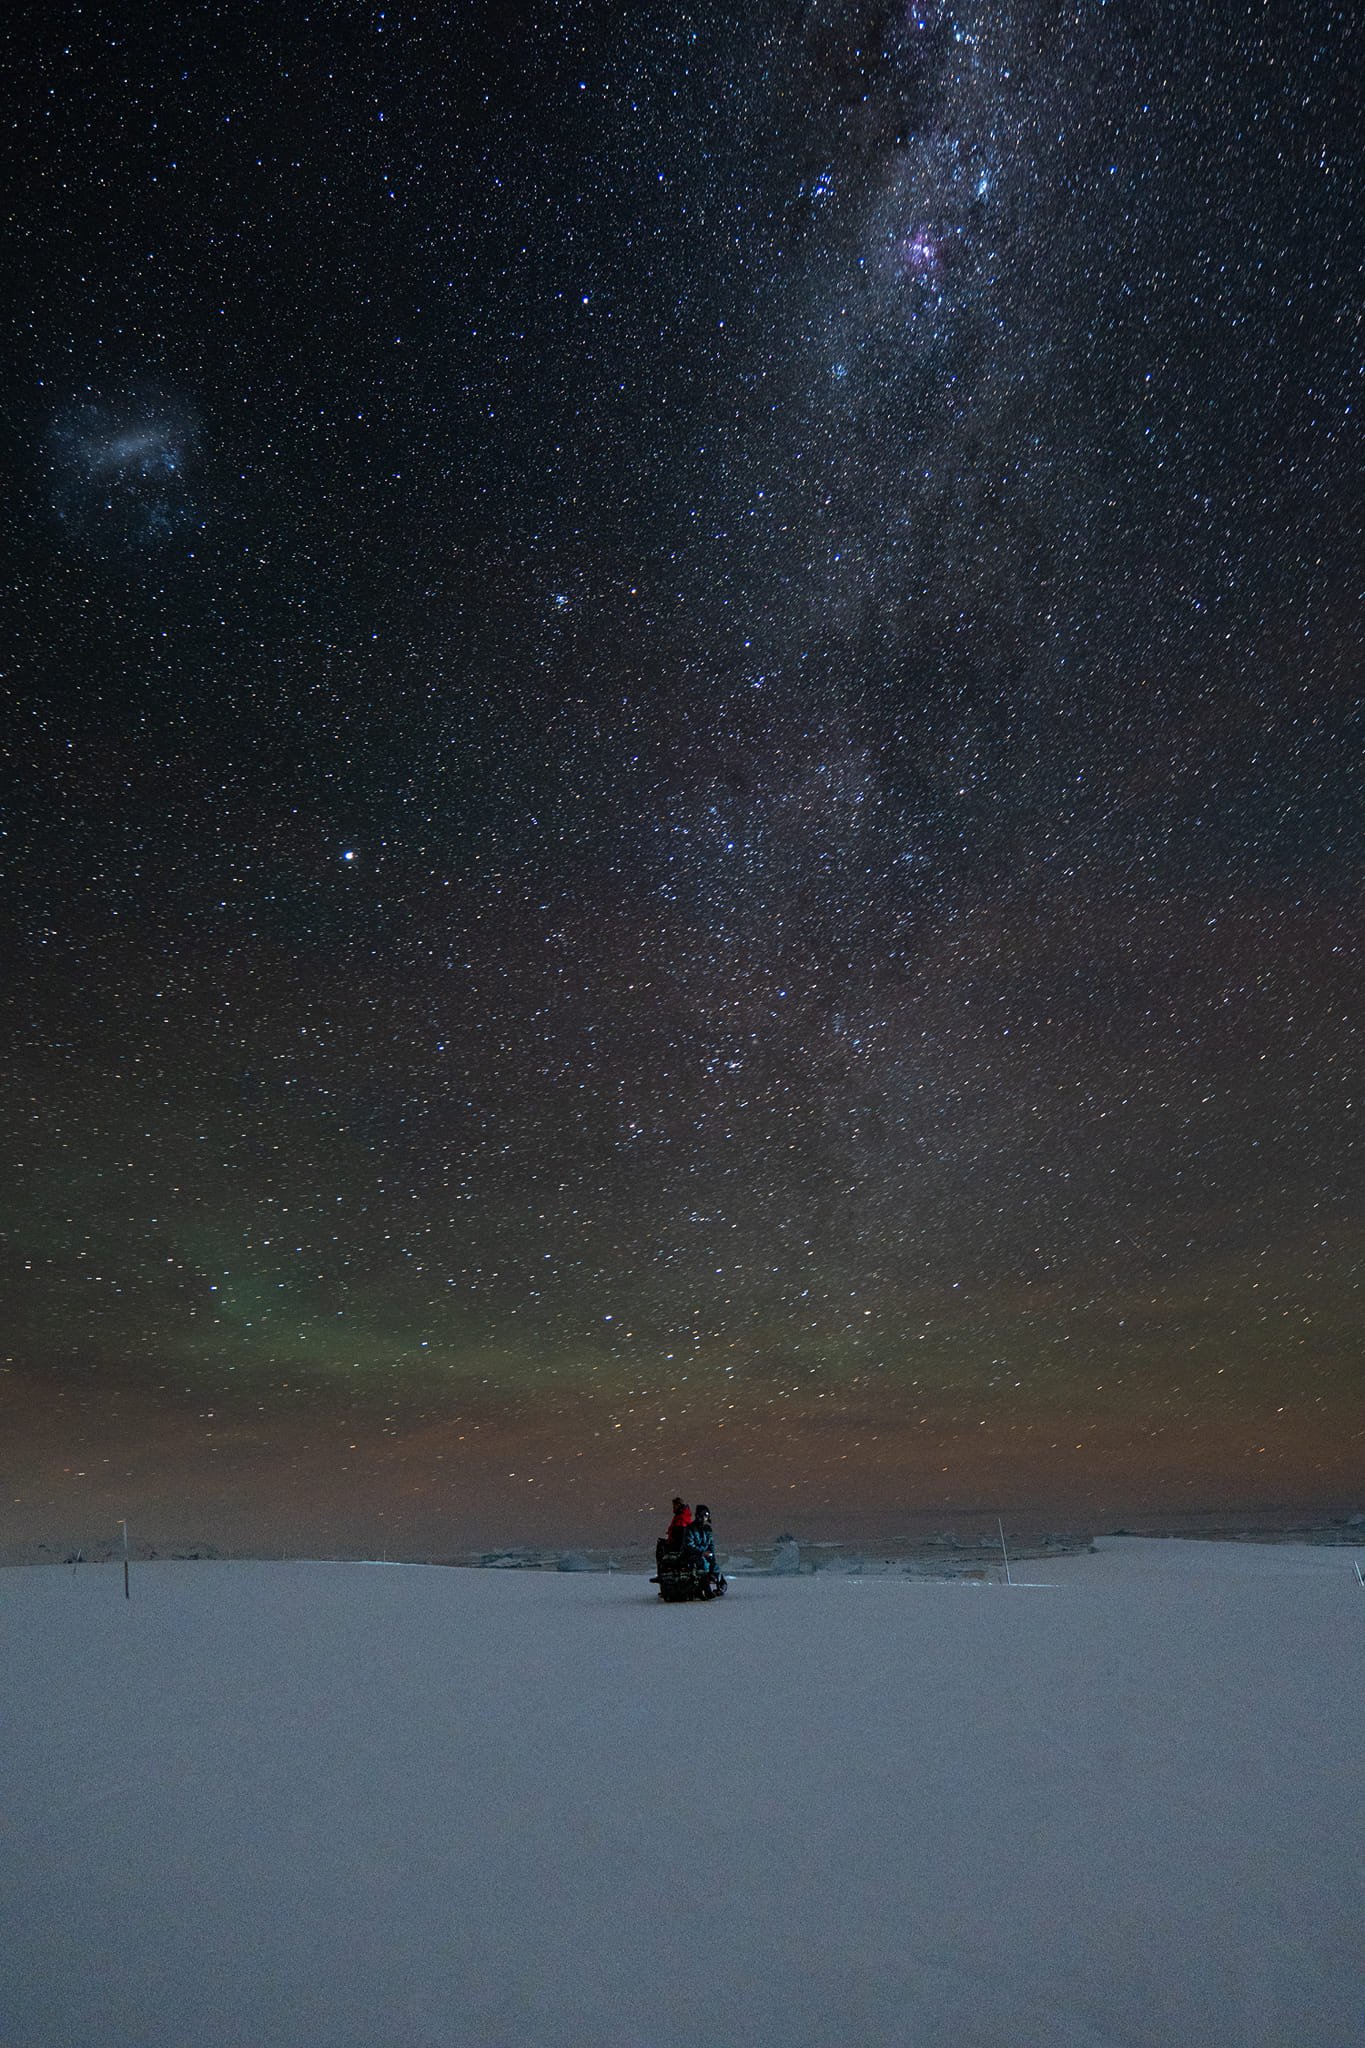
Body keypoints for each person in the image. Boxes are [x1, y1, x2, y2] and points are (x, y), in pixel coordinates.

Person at [655, 1497, 692, 1572]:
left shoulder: (681, 1518)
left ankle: (661, 1572)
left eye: (674, 1506)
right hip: (681, 1544)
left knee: (660, 1547)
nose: (673, 1508)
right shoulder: (683, 1516)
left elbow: (679, 1534)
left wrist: (669, 1541)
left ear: (678, 1505)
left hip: (678, 1545)